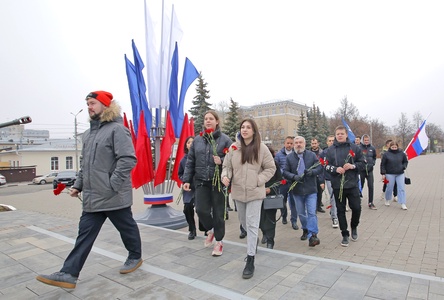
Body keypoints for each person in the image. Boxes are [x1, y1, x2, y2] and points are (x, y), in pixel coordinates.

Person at [36, 91, 142, 289]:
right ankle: (68, 273)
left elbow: (128, 159)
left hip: (113, 196)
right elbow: (85, 164)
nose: (89, 107)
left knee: (126, 228)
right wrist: (78, 185)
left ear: (105, 105)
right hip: (92, 198)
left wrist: (112, 185)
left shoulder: (117, 130)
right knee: (84, 236)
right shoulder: (88, 134)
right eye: (87, 104)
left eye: (93, 103)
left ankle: (135, 256)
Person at [221, 118, 276, 279]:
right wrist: (226, 176)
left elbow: (271, 168)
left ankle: (250, 259)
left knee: (252, 224)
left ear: (253, 131)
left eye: (248, 127)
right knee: (244, 224)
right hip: (238, 192)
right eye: (242, 127)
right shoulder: (233, 148)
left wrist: (258, 180)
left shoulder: (261, 148)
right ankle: (254, 241)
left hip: (255, 193)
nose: (244, 130)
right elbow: (227, 167)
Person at [182, 110, 232, 256]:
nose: (208, 121)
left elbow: (232, 160)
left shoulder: (225, 140)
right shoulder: (198, 140)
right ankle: (210, 230)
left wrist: (221, 161)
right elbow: (190, 161)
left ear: (217, 122)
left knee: (218, 213)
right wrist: (186, 179)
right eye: (206, 119)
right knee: (201, 210)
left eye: (211, 118)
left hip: (218, 182)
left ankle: (219, 242)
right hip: (201, 181)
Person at [324, 125, 365, 247]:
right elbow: (325, 165)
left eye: (342, 133)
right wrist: (335, 169)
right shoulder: (330, 150)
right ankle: (345, 234)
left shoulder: (354, 148)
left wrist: (352, 166)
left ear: (346, 134)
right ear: (335, 135)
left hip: (352, 184)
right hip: (338, 186)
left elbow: (363, 163)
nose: (340, 135)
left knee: (356, 208)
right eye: (338, 134)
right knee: (340, 211)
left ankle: (354, 226)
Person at [283, 136, 323, 247]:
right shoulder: (290, 157)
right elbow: (285, 172)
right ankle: (305, 228)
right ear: (294, 145)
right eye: (296, 143)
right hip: (297, 191)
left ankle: (313, 235)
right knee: (301, 213)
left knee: (311, 213)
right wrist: (294, 176)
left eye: (300, 142)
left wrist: (312, 172)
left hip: (311, 189)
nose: (298, 144)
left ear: (304, 144)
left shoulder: (311, 155)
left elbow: (320, 168)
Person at [259, 145, 282, 249]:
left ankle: (270, 240)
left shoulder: (274, 164)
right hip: (257, 196)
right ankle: (264, 232)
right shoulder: (256, 164)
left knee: (270, 219)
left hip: (270, 197)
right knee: (260, 219)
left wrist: (270, 189)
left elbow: (279, 180)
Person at [274, 136, 299, 229]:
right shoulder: (279, 154)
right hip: (283, 181)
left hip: (293, 181)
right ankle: (284, 216)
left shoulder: (296, 154)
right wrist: (283, 173)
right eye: (288, 143)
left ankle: (294, 220)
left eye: (291, 143)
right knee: (282, 201)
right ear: (284, 143)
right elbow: (276, 166)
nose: (289, 145)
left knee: (293, 201)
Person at [178, 136, 198, 240]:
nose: (190, 144)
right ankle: (192, 229)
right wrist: (185, 180)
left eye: (192, 142)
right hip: (188, 188)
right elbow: (180, 173)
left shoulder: (200, 157)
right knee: (187, 208)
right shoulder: (183, 160)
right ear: (186, 145)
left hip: (200, 186)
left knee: (201, 209)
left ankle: (206, 229)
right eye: (188, 142)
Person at [380, 141, 408, 210]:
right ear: (390, 147)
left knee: (401, 188)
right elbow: (382, 164)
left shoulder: (402, 153)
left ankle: (403, 203)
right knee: (389, 187)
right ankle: (387, 199)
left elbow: (405, 161)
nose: (394, 148)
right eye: (393, 147)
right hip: (389, 173)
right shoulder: (386, 154)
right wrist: (383, 173)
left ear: (397, 147)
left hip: (400, 173)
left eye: (395, 147)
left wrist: (403, 166)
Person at [320, 135, 339, 228]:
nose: (331, 142)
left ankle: (333, 211)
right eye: (329, 141)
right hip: (329, 178)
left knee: (337, 197)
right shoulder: (323, 153)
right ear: (327, 142)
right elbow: (321, 168)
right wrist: (321, 181)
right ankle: (335, 217)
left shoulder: (339, 150)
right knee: (334, 196)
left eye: (333, 140)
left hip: (338, 177)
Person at [359, 134, 377, 210]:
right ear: (362, 140)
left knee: (371, 186)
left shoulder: (372, 148)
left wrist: (372, 163)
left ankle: (371, 202)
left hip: (369, 170)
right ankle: (358, 199)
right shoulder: (359, 148)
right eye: (365, 140)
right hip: (361, 170)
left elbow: (374, 157)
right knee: (360, 186)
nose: (366, 142)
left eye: (367, 140)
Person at [309, 138, 325, 213]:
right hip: (312, 174)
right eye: (312, 143)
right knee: (313, 192)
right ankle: (314, 207)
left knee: (320, 191)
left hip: (321, 174)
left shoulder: (322, 152)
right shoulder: (308, 153)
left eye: (315, 143)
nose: (314, 145)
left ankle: (318, 206)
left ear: (318, 144)